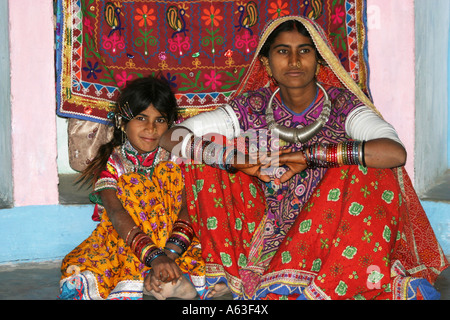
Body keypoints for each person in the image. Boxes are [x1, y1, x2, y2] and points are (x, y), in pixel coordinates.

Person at [159, 16, 449, 300]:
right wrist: (231, 158)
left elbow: (394, 152)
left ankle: (320, 287)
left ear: (319, 60)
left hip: (332, 235)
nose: (294, 61)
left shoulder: (342, 105)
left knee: (366, 167)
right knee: (206, 157)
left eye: (304, 51)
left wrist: (313, 156)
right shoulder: (253, 106)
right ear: (266, 64)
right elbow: (171, 136)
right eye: (283, 51)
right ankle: (241, 277)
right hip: (264, 233)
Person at [59, 75, 205, 300]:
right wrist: (155, 257)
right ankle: (159, 279)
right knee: (79, 275)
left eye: (160, 120)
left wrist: (169, 255)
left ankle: (163, 279)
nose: (151, 128)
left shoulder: (177, 159)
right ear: (122, 122)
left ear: (171, 124)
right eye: (141, 117)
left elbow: (190, 209)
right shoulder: (113, 163)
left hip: (174, 242)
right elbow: (117, 215)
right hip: (129, 240)